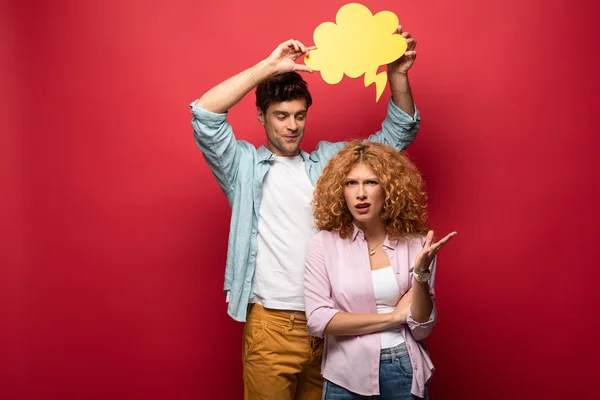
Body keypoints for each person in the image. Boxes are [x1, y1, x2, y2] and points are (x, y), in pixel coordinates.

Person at [190, 26, 420, 400]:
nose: (292, 125)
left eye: (299, 115)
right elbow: (204, 112)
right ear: (262, 117)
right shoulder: (243, 167)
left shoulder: (330, 164)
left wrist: (397, 75)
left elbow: (397, 135)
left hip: (333, 326)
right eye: (281, 115)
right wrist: (269, 67)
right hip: (272, 325)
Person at [304, 141, 457, 399]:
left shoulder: (417, 245)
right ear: (340, 191)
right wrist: (393, 318)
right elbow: (319, 320)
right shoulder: (323, 245)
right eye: (351, 183)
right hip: (345, 374)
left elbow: (421, 328)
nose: (361, 193)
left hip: (402, 369)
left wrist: (420, 275)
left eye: (371, 182)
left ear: (388, 189)